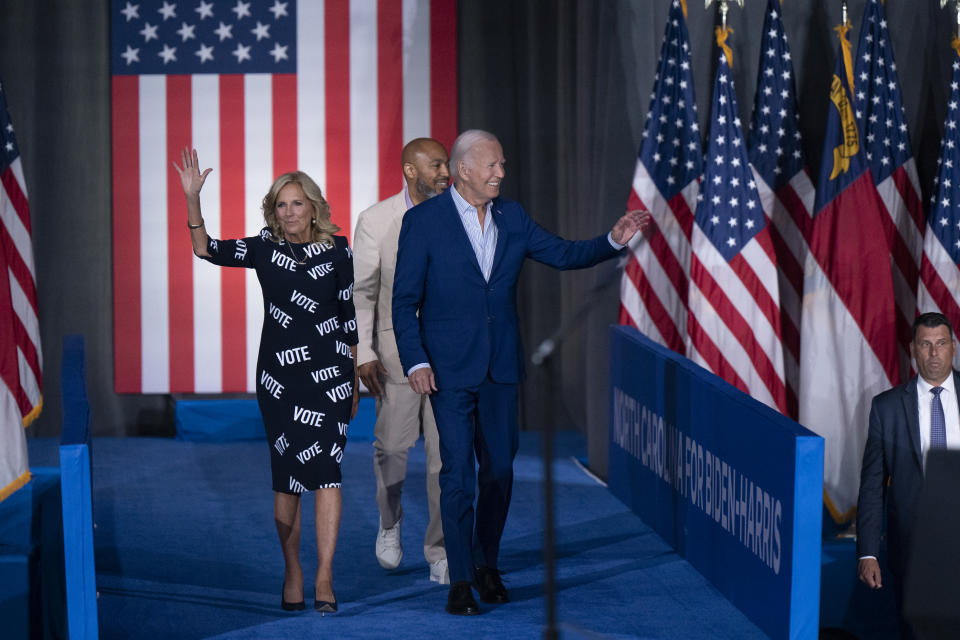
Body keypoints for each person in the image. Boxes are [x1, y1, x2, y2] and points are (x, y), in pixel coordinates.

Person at [391, 129, 651, 615]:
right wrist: (417, 360)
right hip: (446, 370)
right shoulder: (424, 222)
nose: (501, 173)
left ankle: (488, 565)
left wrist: (612, 240)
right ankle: (461, 578)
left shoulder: (513, 216)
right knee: (457, 476)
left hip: (501, 367)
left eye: (503, 165)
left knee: (500, 472)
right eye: (491, 165)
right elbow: (404, 301)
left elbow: (563, 253)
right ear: (463, 170)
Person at [174, 148, 359, 614]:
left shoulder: (339, 249)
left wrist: (353, 379)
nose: (289, 211)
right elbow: (206, 249)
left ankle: (324, 577)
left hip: (332, 377)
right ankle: (292, 568)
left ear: (314, 206)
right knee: (287, 480)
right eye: (281, 204)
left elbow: (348, 316)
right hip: (280, 378)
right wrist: (193, 199)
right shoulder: (264, 248)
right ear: (272, 211)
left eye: (297, 203)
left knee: (328, 473)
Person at [353, 138, 451, 583]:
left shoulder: (460, 213)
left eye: (447, 163)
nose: (446, 172)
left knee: (442, 458)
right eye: (436, 165)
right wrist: (365, 352)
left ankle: (440, 550)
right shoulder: (376, 220)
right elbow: (363, 293)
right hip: (395, 356)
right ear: (410, 171)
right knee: (393, 450)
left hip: (449, 356)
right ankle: (390, 523)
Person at [857, 312, 960, 638]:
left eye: (941, 344)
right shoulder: (886, 408)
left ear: (953, 347)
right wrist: (868, 551)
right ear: (913, 349)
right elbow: (873, 484)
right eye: (926, 345)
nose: (934, 353)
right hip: (915, 552)